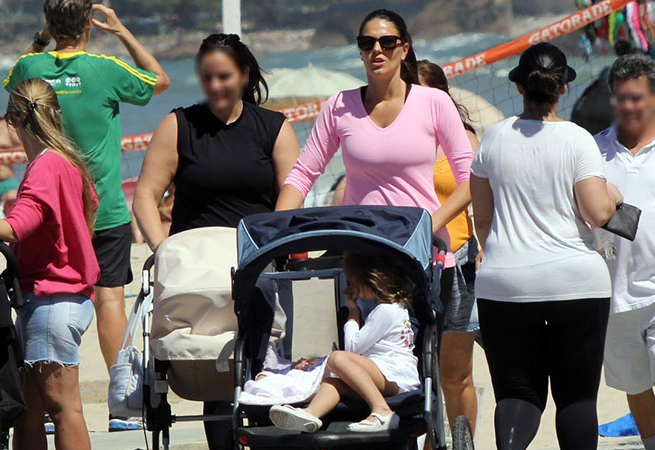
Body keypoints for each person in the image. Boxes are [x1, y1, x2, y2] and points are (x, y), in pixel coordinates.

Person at [3, 0, 170, 431]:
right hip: (104, 208)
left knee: (39, 297)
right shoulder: (104, 68)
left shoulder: (29, 66)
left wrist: (44, 36)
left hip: (48, 209)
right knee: (109, 298)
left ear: (50, 21)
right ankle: (120, 408)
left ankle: (40, 404)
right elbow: (160, 81)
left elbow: (13, 88)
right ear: (90, 27)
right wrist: (121, 31)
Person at [133, 33, 299, 449]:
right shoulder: (179, 125)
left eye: (224, 76)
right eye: (207, 78)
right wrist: (164, 251)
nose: (215, 86)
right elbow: (145, 197)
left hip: (258, 262)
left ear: (244, 75)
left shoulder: (273, 127)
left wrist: (269, 247)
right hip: (197, 270)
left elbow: (292, 194)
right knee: (216, 371)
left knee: (266, 368)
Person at [470, 42, 623, 449]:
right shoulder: (577, 139)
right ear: (563, 89)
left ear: (520, 87)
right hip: (575, 283)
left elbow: (481, 219)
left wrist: (499, 249)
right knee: (575, 398)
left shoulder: (492, 138)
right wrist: (614, 194)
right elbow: (596, 212)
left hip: (504, 284)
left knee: (518, 394)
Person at [0, 79, 99, 450]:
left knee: (63, 408)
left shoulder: (44, 167)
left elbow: (15, 227)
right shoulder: (69, 161)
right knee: (27, 408)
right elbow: (88, 211)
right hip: (65, 297)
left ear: (13, 119)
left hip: (53, 298)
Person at [275, 9, 474, 273]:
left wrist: (425, 227)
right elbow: (302, 175)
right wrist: (275, 233)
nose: (377, 50)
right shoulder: (338, 105)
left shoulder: (434, 102)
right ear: (360, 51)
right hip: (361, 259)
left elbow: (471, 180)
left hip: (424, 255)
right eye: (367, 43)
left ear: (404, 49)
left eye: (387, 42)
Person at [269, 253, 419, 433]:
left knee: (338, 358)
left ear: (368, 283)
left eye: (354, 284)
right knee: (333, 382)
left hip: (393, 374)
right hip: (391, 375)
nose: (352, 288)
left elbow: (352, 348)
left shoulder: (385, 311)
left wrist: (353, 313)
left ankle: (382, 410)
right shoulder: (394, 309)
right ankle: (310, 414)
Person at [595, 54, 655, 450]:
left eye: (637, 98)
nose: (628, 106)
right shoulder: (593, 150)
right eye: (621, 98)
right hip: (613, 294)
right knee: (635, 385)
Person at [417, 59, 480, 434]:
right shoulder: (394, 133)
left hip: (457, 266)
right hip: (406, 266)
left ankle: (462, 442)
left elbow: (483, 196)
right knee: (414, 371)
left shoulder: (463, 137)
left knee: (455, 375)